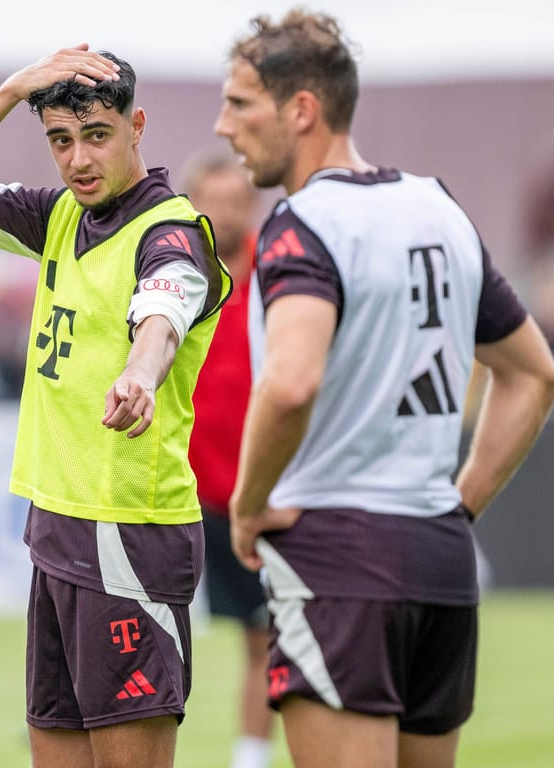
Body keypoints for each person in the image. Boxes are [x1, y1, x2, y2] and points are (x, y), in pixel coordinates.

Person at [215, 10, 554, 768]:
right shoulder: (439, 209)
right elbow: (533, 372)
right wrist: (458, 502)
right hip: (439, 558)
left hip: (337, 551)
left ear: (302, 108)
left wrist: (247, 503)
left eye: (239, 104)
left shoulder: (302, 223)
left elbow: (292, 380)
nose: (222, 126)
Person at [0, 46, 229, 768]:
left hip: (129, 535)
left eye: (98, 135)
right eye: (59, 140)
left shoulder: (172, 234)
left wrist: (141, 372)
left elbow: (162, 312)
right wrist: (8, 91)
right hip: (56, 526)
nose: (78, 158)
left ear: (137, 126)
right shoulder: (56, 218)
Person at [180, 150, 276, 768]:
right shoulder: (173, 271)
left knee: (264, 636)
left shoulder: (286, 271)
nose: (226, 213)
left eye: (237, 201)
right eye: (214, 202)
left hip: (264, 491)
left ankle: (251, 758)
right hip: (183, 491)